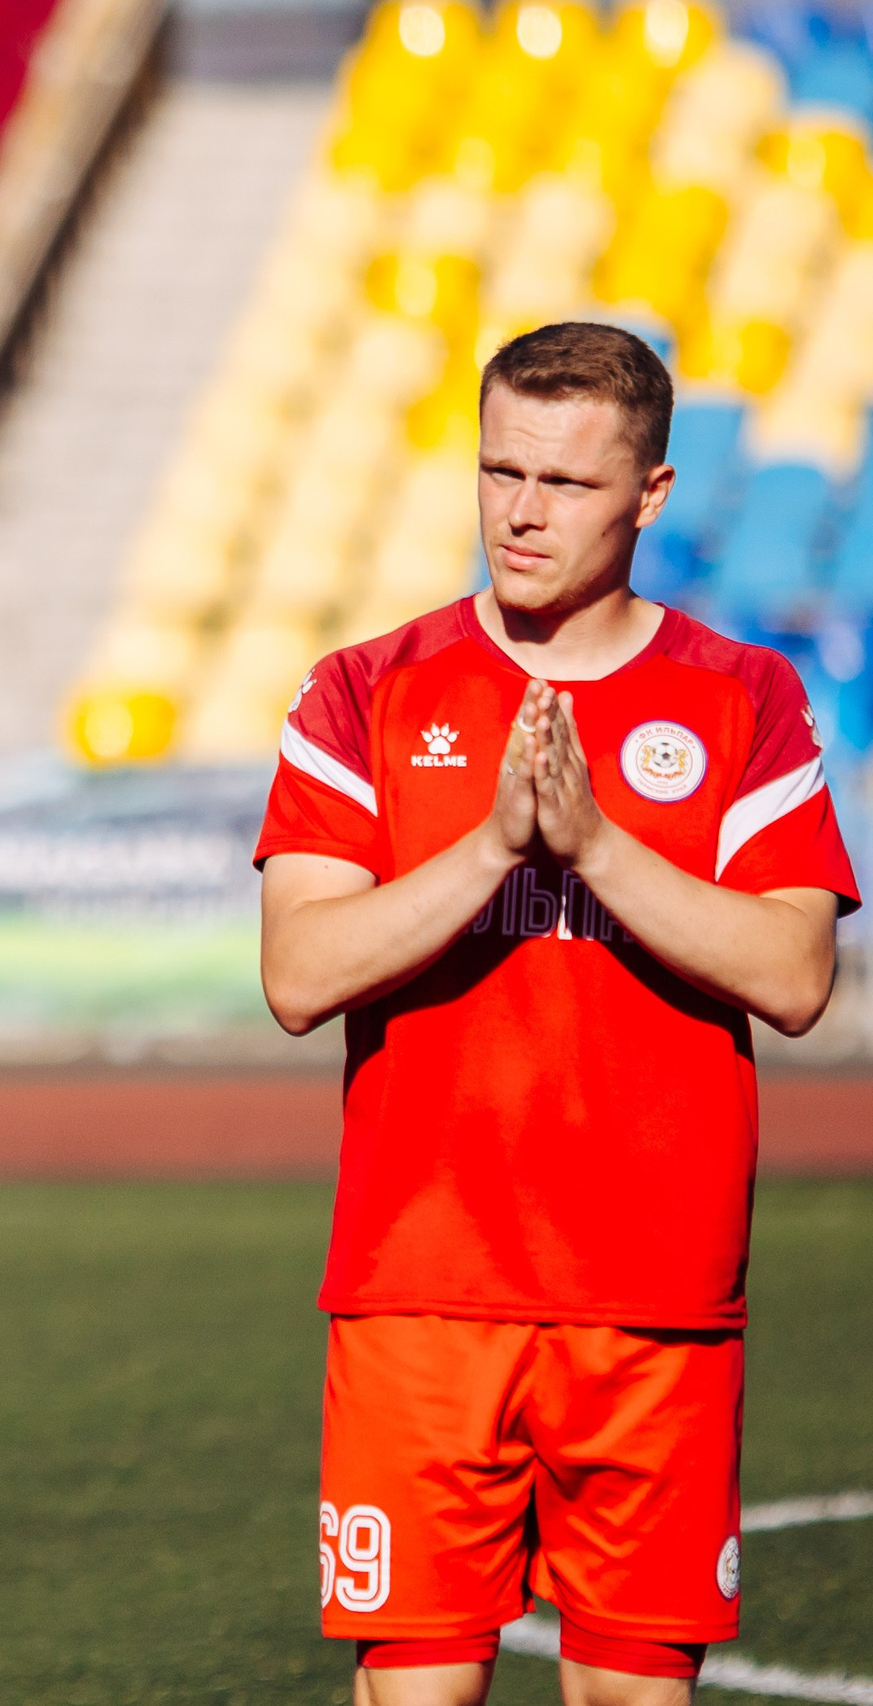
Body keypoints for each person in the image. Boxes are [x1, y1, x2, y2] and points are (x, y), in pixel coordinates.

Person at [255, 320, 859, 1706]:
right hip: (422, 1288)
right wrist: (488, 850)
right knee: (418, 1688)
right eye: (498, 470)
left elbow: (794, 974)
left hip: (655, 1301)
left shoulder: (744, 699)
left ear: (650, 494)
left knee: (631, 1694)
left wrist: (592, 846)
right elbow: (298, 973)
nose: (520, 512)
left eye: (567, 483)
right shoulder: (365, 690)